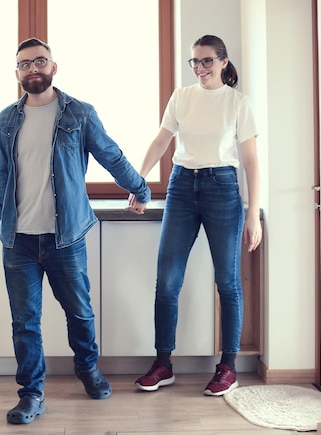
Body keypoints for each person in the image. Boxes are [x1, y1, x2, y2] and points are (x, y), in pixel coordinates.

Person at [0, 37, 151, 424]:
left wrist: (141, 187)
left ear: (53, 67)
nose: (33, 68)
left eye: (40, 61)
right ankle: (31, 394)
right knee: (24, 322)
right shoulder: (6, 119)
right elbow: (3, 174)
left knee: (79, 312)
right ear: (17, 74)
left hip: (65, 236)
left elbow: (110, 154)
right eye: (25, 64)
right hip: (19, 240)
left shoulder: (78, 113)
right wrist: (4, 216)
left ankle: (88, 368)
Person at [128, 34, 262, 396]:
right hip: (182, 187)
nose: (200, 68)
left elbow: (250, 160)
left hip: (223, 189)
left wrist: (253, 214)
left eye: (206, 61)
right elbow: (160, 142)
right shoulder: (182, 97)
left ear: (223, 62)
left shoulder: (237, 102)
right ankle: (163, 364)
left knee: (228, 283)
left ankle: (228, 367)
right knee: (167, 281)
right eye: (195, 62)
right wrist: (139, 184)